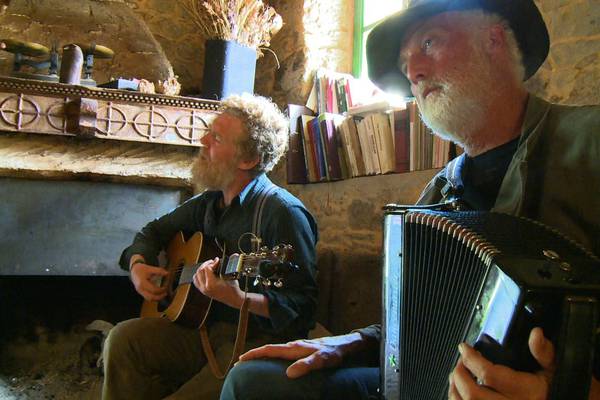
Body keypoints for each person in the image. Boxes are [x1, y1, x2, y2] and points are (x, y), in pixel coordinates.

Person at [220, 0, 600, 399]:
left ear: (495, 39)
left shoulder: (589, 142)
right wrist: (352, 343)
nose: (414, 73)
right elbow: (423, 320)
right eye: (405, 66)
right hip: (427, 386)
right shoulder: (439, 193)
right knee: (253, 383)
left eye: (430, 43)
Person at [101, 93, 319, 400]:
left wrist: (238, 298)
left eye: (216, 137)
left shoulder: (283, 213)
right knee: (122, 339)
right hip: (198, 329)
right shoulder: (207, 204)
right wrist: (137, 265)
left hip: (252, 342)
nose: (202, 141)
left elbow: (303, 310)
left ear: (248, 159)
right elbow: (152, 232)